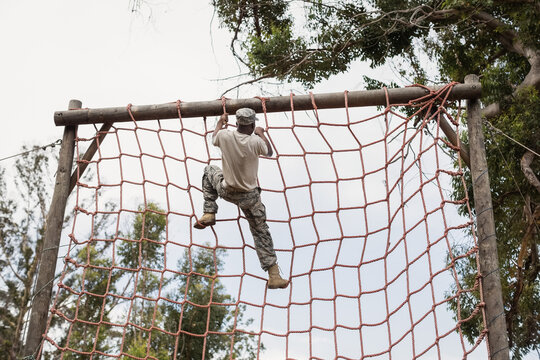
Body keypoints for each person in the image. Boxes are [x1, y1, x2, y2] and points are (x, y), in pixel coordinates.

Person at [194, 108, 289, 289]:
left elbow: (214, 137)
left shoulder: (225, 136)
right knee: (261, 232)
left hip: (227, 190)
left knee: (209, 171)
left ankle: (209, 212)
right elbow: (269, 152)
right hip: (250, 198)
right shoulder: (255, 141)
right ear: (252, 124)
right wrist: (261, 134)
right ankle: (274, 275)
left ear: (236, 123)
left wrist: (221, 122)